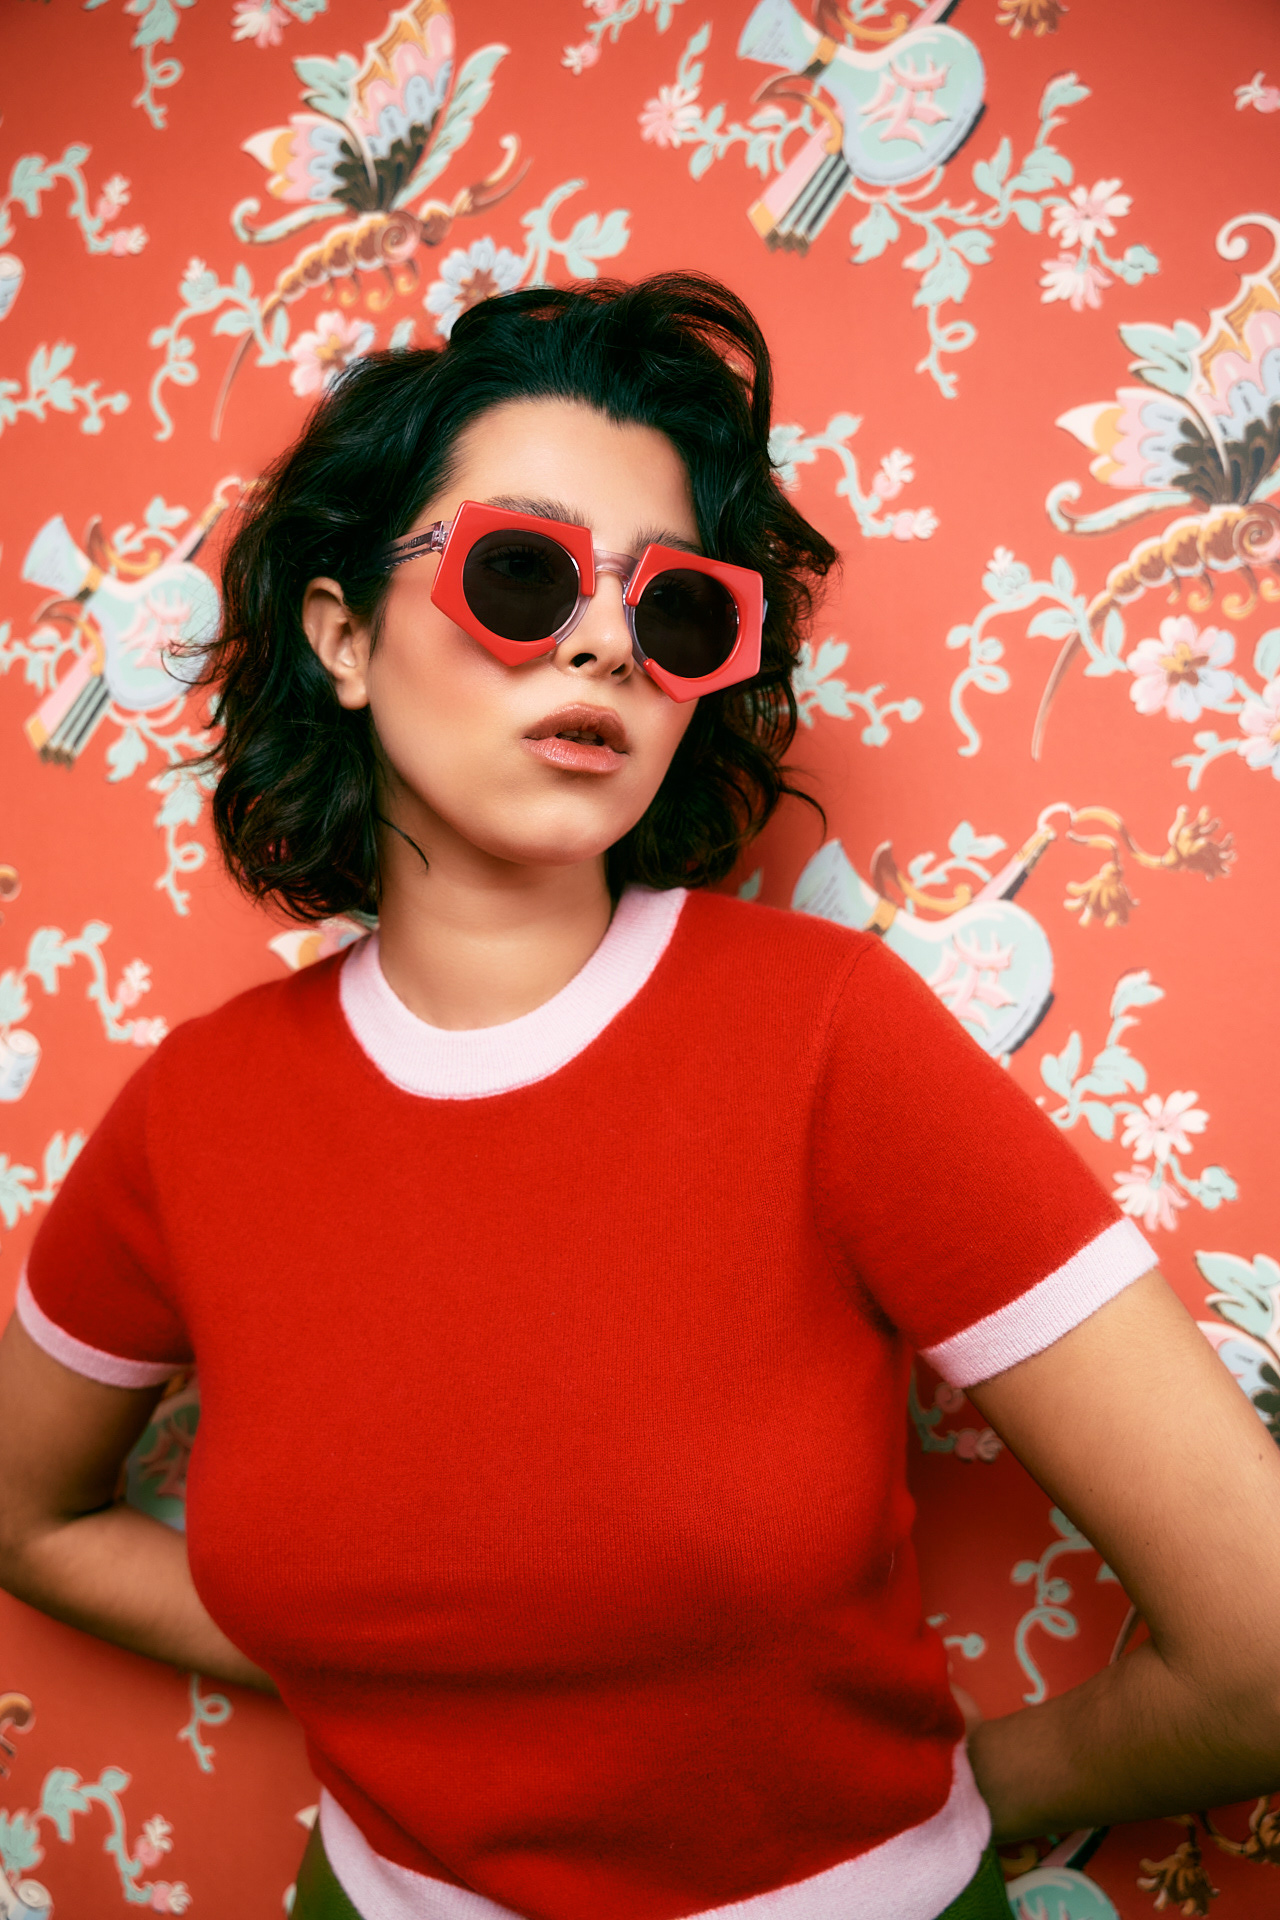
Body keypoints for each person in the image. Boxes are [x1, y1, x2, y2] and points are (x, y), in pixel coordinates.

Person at [1, 275, 1278, 1920]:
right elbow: (26, 1518)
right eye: (521, 573)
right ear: (343, 636)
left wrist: (955, 1812)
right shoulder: (194, 1118)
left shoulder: (831, 1042)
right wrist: (391, 1673)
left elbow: (1259, 1648)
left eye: (677, 610)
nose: (608, 639)